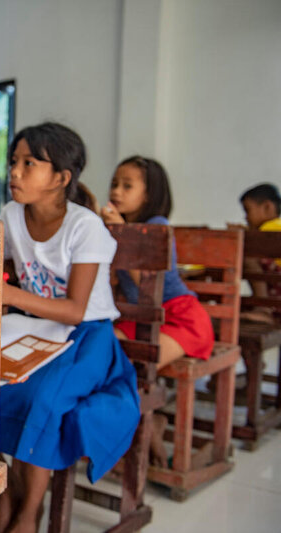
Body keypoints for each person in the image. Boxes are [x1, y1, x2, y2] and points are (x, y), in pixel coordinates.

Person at [0, 123, 140, 533]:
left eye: (29, 163)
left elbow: (74, 309)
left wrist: (9, 297)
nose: (15, 172)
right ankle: (2, 486)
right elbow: (0, 274)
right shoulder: (10, 215)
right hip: (33, 328)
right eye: (13, 162)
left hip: (86, 339)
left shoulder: (84, 226)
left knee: (43, 399)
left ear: (61, 178)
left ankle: (29, 511)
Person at [102, 156, 214, 468]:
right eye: (115, 184)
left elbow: (147, 284)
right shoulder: (117, 227)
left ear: (149, 195)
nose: (117, 191)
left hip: (179, 316)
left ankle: (147, 430)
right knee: (103, 352)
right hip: (140, 317)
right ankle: (147, 429)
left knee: (135, 364)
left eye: (127, 186)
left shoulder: (157, 226)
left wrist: (119, 234)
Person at [239, 183, 281, 323]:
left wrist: (241, 234)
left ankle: (263, 309)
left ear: (267, 207)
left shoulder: (269, 228)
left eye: (248, 210)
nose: (246, 217)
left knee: (249, 259)